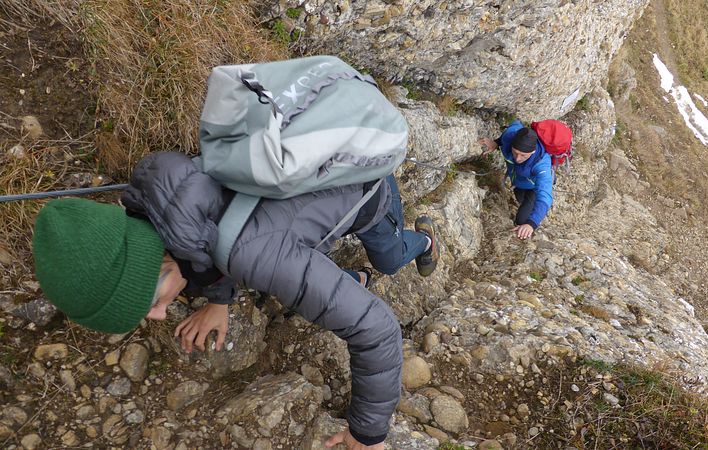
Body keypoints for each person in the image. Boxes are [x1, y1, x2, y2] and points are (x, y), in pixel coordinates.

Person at [32, 151, 441, 450]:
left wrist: (367, 434)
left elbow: (377, 330)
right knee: (297, 281)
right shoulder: (160, 192)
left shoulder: (255, 254)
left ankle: (424, 240)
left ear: (157, 261)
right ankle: (353, 280)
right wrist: (218, 300)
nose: (157, 315)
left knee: (388, 259)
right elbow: (213, 229)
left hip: (368, 187)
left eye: (150, 300)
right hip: (318, 185)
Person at [478, 119, 554, 240]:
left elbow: (545, 196)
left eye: (523, 155)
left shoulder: (541, 164)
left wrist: (531, 224)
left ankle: (534, 210)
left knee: (522, 220)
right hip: (519, 182)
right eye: (515, 152)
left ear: (533, 152)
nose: (518, 158)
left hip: (534, 187)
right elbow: (515, 123)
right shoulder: (510, 135)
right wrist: (496, 143)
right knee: (520, 197)